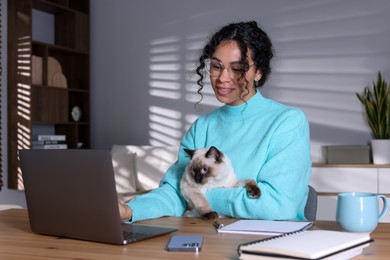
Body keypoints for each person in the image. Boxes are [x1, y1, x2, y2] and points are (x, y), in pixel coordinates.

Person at [118, 21, 311, 222]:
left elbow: (277, 206)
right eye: (217, 66)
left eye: (237, 69)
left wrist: (198, 194)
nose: (222, 78)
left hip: (269, 244)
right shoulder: (201, 127)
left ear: (259, 72)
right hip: (209, 238)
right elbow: (176, 192)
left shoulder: (287, 122)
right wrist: (130, 210)